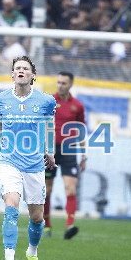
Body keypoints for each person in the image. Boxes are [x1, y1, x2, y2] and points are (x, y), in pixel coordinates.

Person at [0, 56, 57, 260]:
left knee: (37, 218)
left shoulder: (46, 101)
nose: (21, 71)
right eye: (17, 68)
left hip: (34, 165)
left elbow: (50, 126)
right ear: (12, 74)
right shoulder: (0, 99)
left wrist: (50, 151)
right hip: (9, 162)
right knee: (11, 207)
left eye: (25, 68)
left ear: (33, 75)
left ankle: (32, 251)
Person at [44, 71, 86, 240]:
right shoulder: (49, 102)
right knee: (47, 190)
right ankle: (47, 226)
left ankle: (70, 226)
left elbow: (81, 131)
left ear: (71, 85)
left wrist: (84, 156)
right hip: (50, 150)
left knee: (70, 189)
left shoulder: (78, 106)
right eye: (58, 82)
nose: (60, 85)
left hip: (69, 149)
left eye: (64, 83)